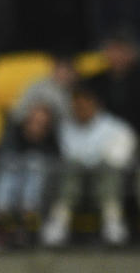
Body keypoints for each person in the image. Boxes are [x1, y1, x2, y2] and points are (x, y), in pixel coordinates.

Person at [41, 81, 137, 247]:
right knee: (71, 168)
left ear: (95, 104)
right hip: (75, 183)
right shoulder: (65, 128)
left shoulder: (115, 128)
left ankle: (112, 222)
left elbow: (120, 158)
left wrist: (95, 161)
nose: (80, 109)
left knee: (108, 168)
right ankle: (59, 223)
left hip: (105, 181)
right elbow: (65, 156)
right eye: (76, 106)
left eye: (85, 105)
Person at [0, 103, 58, 249]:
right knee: (9, 166)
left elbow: (55, 167)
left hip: (38, 195)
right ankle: (1, 223)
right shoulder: (12, 136)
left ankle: (25, 226)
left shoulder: (52, 142)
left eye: (41, 123)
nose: (35, 126)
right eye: (33, 121)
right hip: (11, 188)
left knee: (35, 165)